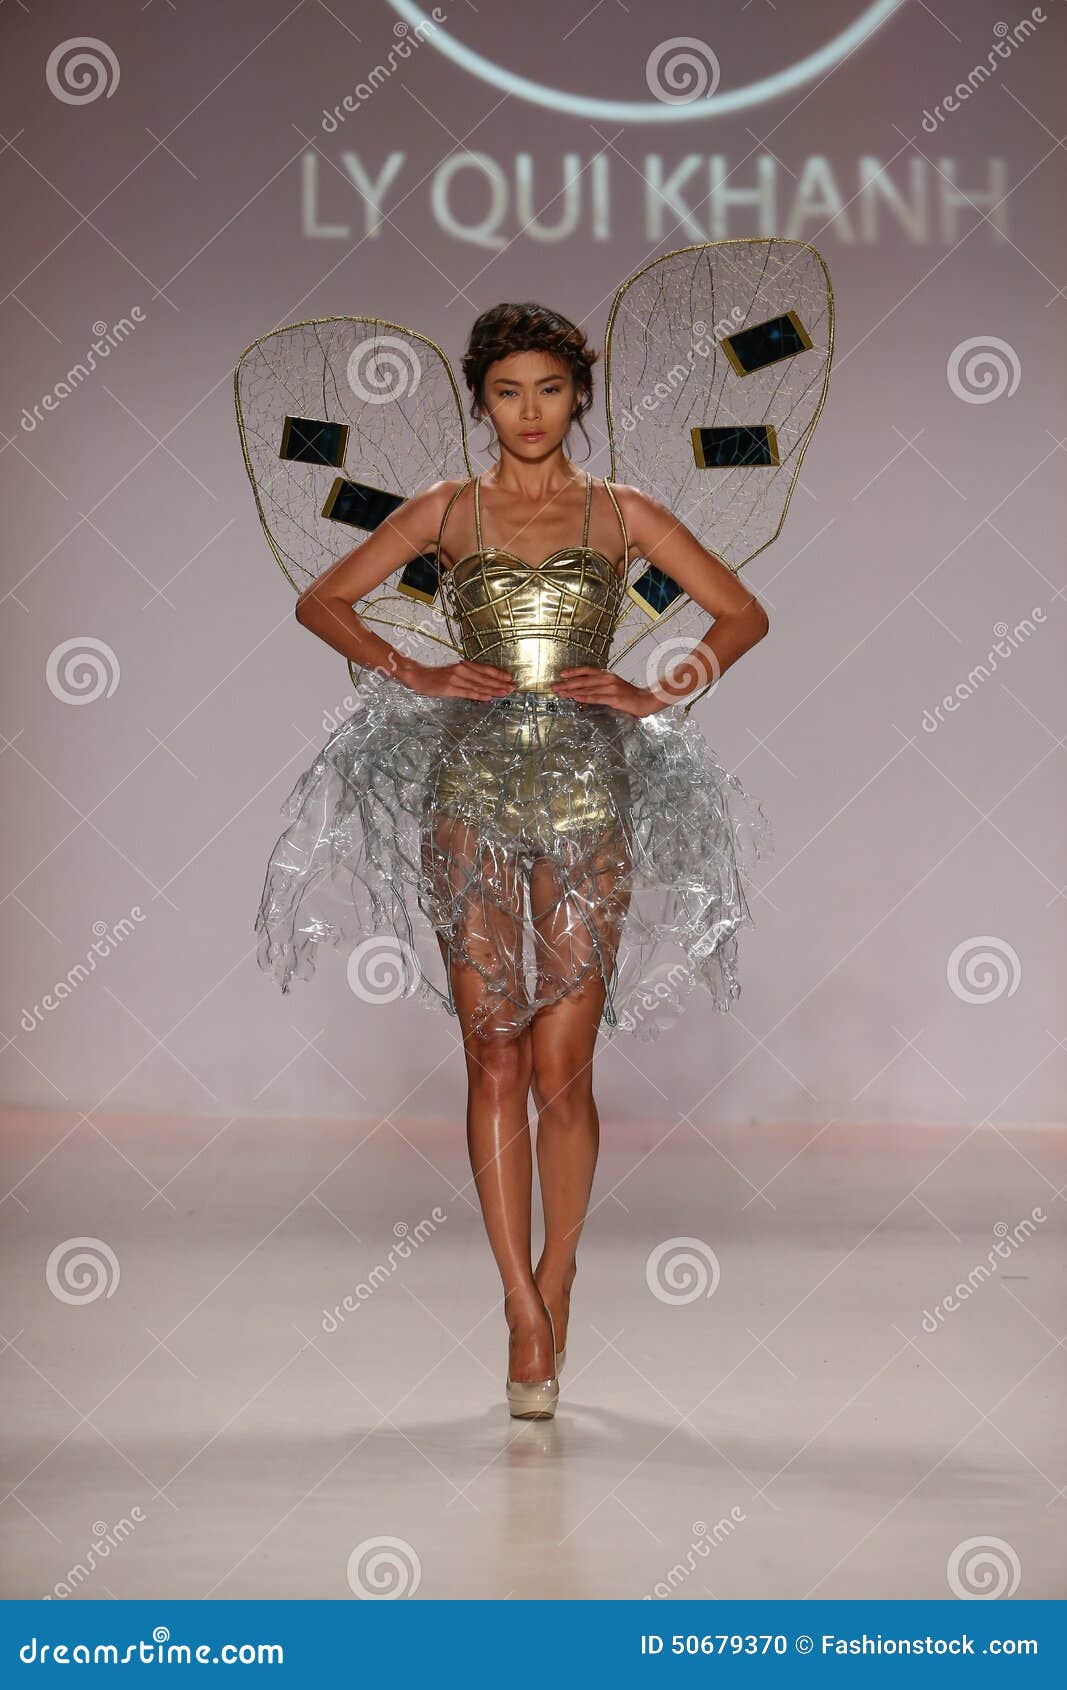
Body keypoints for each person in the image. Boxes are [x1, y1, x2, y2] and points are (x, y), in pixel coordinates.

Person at [253, 303, 772, 1418]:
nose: (527, 411)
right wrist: (417, 670)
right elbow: (321, 599)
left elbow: (739, 613)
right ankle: (520, 1310)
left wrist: (652, 691)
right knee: (491, 1052)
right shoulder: (447, 510)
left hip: (590, 790)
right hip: (469, 794)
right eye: (505, 391)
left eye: (547, 389)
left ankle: (561, 1267)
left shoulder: (620, 511)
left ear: (577, 396)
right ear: (479, 400)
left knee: (561, 1068)